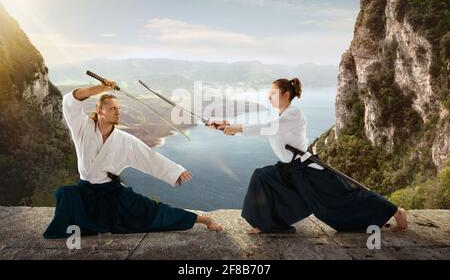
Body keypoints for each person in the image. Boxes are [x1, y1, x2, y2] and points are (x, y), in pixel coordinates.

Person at [209, 78, 408, 234]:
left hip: (307, 170)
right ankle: (266, 225)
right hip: (288, 170)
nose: (268, 97)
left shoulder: (294, 114)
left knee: (343, 199)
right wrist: (228, 126)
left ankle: (394, 211)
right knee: (263, 177)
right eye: (268, 94)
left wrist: (236, 128)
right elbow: (261, 124)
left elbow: (267, 128)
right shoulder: (280, 115)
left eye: (273, 94)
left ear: (286, 94)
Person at [44, 79, 222, 239]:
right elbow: (70, 100)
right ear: (99, 110)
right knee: (65, 195)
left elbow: (149, 157)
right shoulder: (82, 127)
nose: (118, 112)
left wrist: (176, 171)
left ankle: (203, 219)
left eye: (119, 109)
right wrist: (101, 88)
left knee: (152, 212)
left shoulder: (124, 140)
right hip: (85, 192)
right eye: (113, 108)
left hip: (112, 192)